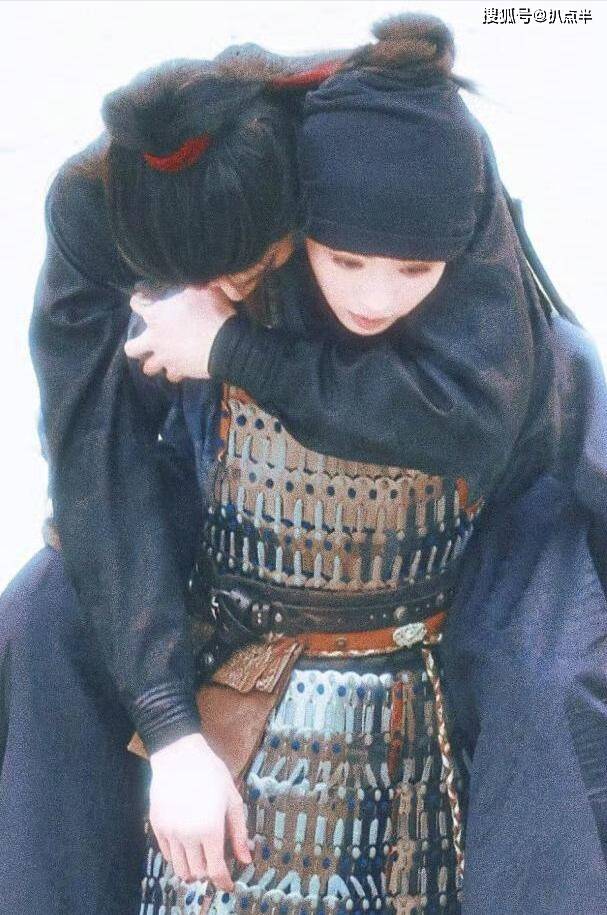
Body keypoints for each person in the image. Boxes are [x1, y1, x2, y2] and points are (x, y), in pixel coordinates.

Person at [127, 16, 607, 915]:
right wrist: (169, 729)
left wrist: (234, 351)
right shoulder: (218, 284)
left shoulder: (523, 359)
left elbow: (468, 424)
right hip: (227, 707)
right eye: (345, 259)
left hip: (421, 731)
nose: (374, 297)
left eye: (414, 271)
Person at [0, 44, 344, 915]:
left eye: (243, 268)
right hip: (208, 462)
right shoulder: (91, 205)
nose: (222, 289)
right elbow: (93, 456)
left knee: (545, 665)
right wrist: (169, 725)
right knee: (42, 615)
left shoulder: (361, 139)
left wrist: (233, 344)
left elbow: (477, 384)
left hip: (411, 452)